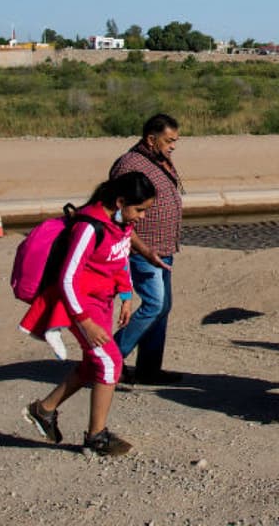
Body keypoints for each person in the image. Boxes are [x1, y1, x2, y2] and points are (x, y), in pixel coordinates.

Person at [22, 171, 157, 456]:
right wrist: (84, 322)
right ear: (120, 202)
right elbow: (67, 279)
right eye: (139, 210)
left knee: (93, 364)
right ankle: (96, 436)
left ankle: (44, 410)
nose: (142, 217)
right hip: (81, 306)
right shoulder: (88, 227)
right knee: (110, 362)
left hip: (103, 301)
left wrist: (126, 297)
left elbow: (119, 259)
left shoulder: (121, 224)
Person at [111, 113, 184, 385]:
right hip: (141, 249)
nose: (173, 146)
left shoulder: (159, 159)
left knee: (163, 306)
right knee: (154, 304)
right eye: (169, 140)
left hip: (162, 249)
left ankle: (149, 369)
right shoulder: (129, 164)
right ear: (151, 139)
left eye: (175, 141)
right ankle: (109, 358)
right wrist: (141, 248)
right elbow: (118, 212)